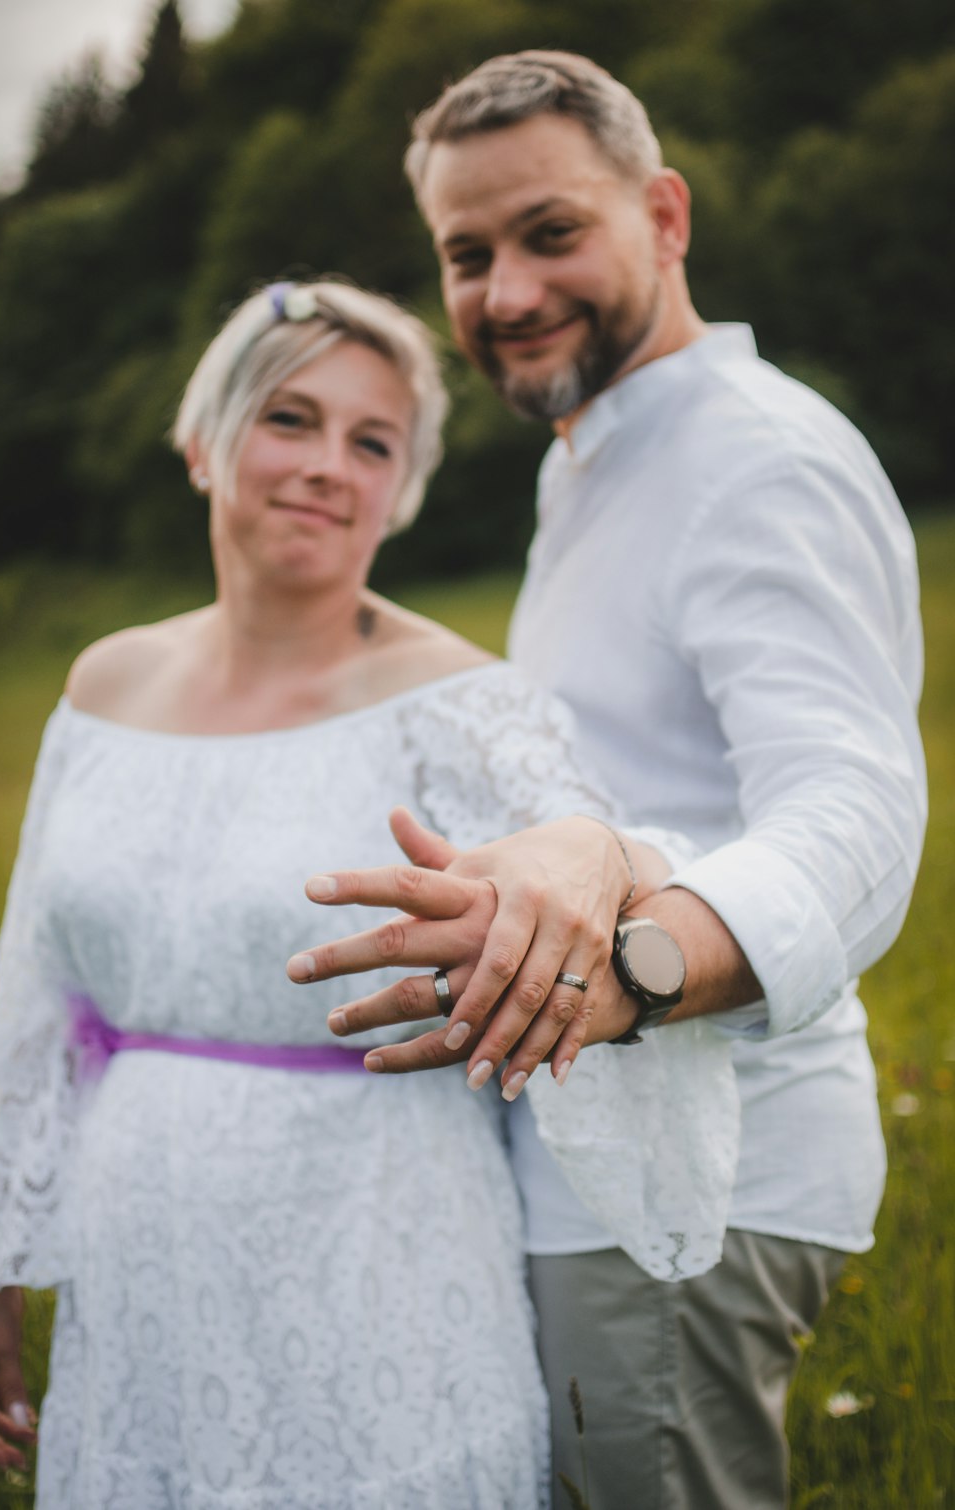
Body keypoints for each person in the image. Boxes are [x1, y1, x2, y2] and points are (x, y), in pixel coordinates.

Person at [0, 277, 738, 1508]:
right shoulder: (103, 682)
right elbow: (32, 992)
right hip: (143, 1265)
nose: (328, 464)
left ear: (403, 485)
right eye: (289, 419)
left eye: (371, 441)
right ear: (206, 440)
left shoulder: (468, 705)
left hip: (381, 1251)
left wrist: (543, 939)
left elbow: (606, 896)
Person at [285, 53, 928, 1509]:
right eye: (467, 253)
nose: (505, 290)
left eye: (550, 232)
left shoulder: (750, 458)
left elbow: (858, 811)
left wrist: (624, 971)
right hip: (606, 1172)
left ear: (666, 215)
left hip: (694, 1188)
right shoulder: (599, 462)